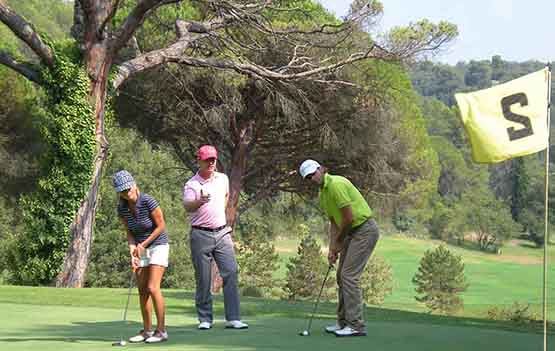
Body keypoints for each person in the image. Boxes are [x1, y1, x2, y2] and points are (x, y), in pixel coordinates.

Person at [299, 159, 380, 337]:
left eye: (313, 174)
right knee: (341, 275)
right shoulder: (323, 194)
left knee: (349, 276)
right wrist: (332, 248)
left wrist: (339, 242)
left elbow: (349, 218)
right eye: (308, 178)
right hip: (351, 232)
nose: (313, 178)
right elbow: (334, 222)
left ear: (320, 169)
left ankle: (356, 325)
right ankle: (343, 322)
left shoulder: (336, 184)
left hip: (364, 229)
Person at [183, 145, 248, 330]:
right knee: (203, 278)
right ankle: (205, 319)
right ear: (199, 161)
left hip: (222, 232)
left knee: (231, 271)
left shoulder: (223, 179)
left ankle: (233, 318)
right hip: (200, 234)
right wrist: (200, 201)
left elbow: (226, 197)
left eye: (213, 159)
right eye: (207, 160)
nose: (211, 163)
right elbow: (187, 205)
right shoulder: (192, 184)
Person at [113, 170, 170, 343]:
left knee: (153, 287)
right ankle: (146, 331)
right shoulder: (122, 207)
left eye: (128, 189)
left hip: (158, 244)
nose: (126, 193)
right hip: (140, 247)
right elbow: (129, 232)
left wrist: (143, 245)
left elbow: (161, 226)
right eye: (122, 191)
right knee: (142, 289)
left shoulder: (148, 201)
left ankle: (161, 331)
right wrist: (132, 252)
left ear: (134, 184)